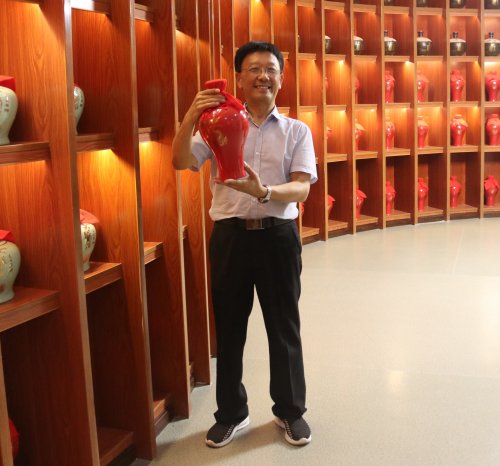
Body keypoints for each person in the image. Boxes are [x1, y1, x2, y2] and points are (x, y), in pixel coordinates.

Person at [172, 41, 317, 448]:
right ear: (239, 78)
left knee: (284, 327)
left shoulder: (296, 131)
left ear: (281, 79)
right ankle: (231, 414)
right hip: (231, 238)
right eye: (253, 68)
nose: (262, 76)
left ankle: (290, 411)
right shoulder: (216, 123)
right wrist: (191, 115)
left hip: (279, 238)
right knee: (230, 328)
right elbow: (180, 161)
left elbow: (302, 188)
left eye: (271, 69)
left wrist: (264, 192)